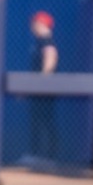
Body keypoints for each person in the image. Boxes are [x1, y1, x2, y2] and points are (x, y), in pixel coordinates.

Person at [27, 10, 60, 167]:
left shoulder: (47, 41)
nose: (32, 26)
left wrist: (42, 82)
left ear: (42, 24)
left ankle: (49, 158)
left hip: (44, 91)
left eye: (35, 23)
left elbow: (50, 59)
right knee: (36, 121)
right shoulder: (39, 42)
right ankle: (35, 155)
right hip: (38, 89)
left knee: (45, 122)